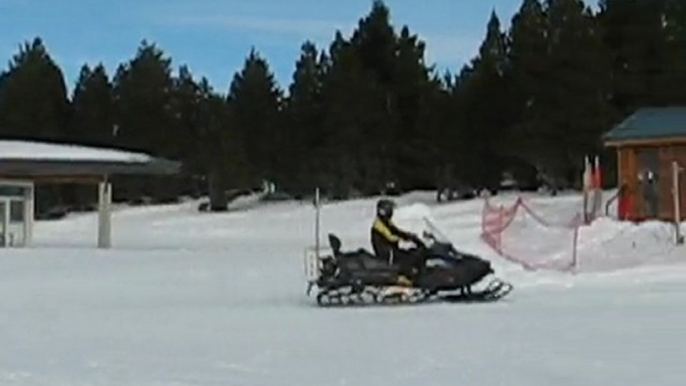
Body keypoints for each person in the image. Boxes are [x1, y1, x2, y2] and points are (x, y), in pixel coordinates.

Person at [371, 199, 425, 285]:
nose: (391, 212)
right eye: (390, 210)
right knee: (408, 259)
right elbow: (390, 236)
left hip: (390, 250)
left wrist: (410, 236)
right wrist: (405, 239)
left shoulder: (385, 222)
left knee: (411, 253)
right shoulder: (378, 225)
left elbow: (396, 231)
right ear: (384, 211)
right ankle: (409, 281)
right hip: (388, 253)